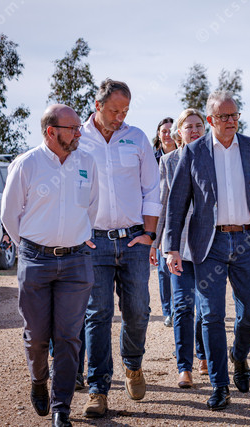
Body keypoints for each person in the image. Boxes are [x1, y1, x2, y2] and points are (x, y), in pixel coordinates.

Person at [165, 91, 250, 411]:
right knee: (211, 315)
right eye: (224, 117)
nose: (231, 121)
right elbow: (177, 204)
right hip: (210, 245)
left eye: (235, 115)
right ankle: (220, 385)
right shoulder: (193, 152)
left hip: (248, 242)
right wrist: (171, 248)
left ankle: (239, 356)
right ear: (211, 120)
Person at [1, 104, 99, 427]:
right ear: (51, 132)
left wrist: (77, 236)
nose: (79, 133)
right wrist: (31, 248)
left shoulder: (87, 162)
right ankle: (38, 380)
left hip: (76, 260)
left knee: (69, 337)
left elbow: (92, 207)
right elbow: (9, 215)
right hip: (36, 260)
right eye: (73, 128)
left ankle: (61, 408)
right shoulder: (27, 164)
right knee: (37, 336)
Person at [79, 79, 161, 418]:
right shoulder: (78, 139)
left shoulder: (137, 138)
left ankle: (133, 364)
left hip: (134, 240)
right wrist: (78, 233)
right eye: (114, 110)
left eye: (125, 111)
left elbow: (152, 189)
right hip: (93, 241)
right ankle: (98, 389)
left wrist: (150, 235)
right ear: (98, 105)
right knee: (97, 314)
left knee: (138, 310)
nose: (120, 117)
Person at [150, 108, 207, 389]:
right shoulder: (169, 162)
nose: (194, 131)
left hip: (209, 245)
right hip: (179, 246)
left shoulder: (215, 159)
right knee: (183, 305)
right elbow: (163, 203)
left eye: (199, 126)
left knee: (207, 308)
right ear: (179, 133)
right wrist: (155, 241)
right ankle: (184, 367)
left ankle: (204, 354)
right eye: (189, 126)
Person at [152, 117, 177, 327]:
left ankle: (180, 308)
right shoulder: (152, 159)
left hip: (180, 218)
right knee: (163, 269)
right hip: (159, 215)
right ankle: (168, 310)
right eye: (164, 131)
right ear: (159, 134)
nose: (167, 134)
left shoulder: (184, 156)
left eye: (171, 130)